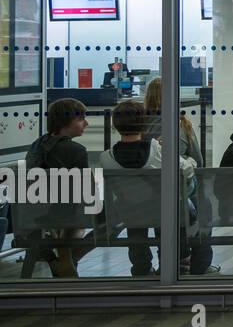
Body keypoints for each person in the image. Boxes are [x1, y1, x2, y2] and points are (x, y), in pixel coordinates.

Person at [101, 100, 216, 276]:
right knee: (187, 205)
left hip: (131, 214)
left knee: (135, 210)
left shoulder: (106, 158)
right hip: (165, 211)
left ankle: (141, 268)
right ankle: (188, 264)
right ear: (144, 124)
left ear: (115, 125)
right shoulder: (159, 151)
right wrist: (191, 162)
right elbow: (186, 170)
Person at [26, 98, 92, 277]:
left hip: (33, 214)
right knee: (114, 215)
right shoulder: (76, 150)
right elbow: (86, 191)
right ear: (66, 122)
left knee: (70, 212)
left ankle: (60, 259)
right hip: (65, 214)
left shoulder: (35, 147)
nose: (86, 123)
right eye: (81, 119)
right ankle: (69, 257)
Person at [143, 77, 202, 166]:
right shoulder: (182, 124)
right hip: (179, 177)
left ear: (148, 97)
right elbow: (198, 160)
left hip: (148, 178)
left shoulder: (140, 124)